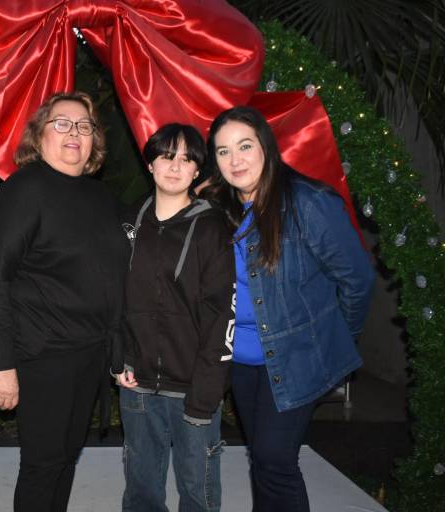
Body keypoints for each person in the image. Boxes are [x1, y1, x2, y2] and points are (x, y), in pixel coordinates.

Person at [201, 105, 376, 512]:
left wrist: (334, 342)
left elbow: (357, 280)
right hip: (241, 360)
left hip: (296, 358)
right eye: (224, 151)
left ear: (266, 145)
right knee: (263, 459)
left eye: (245, 146)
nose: (235, 159)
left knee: (275, 461)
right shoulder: (222, 208)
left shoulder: (307, 202)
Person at [0, 91, 129, 511]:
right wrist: (2, 366)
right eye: (61, 123)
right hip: (43, 356)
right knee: (43, 465)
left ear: (94, 140)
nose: (74, 132)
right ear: (39, 136)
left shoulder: (99, 197)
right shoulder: (24, 189)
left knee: (65, 458)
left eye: (84, 125)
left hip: (89, 354)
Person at [112, 123, 235, 512]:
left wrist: (207, 391)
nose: (175, 166)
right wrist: (119, 358)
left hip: (193, 385)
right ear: (150, 164)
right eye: (166, 156)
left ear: (197, 170)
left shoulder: (212, 226)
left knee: (199, 492)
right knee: (141, 493)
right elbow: (112, 299)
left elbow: (222, 313)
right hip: (137, 383)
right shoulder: (128, 222)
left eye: (186, 159)